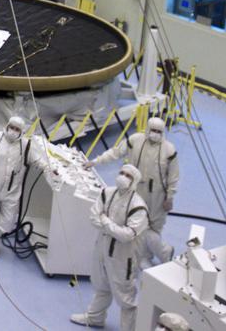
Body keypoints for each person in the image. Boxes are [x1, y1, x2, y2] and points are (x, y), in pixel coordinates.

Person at [89, 116, 179, 264]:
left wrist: (170, 197)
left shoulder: (169, 150)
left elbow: (174, 176)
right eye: (153, 130)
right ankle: (149, 255)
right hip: (135, 190)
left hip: (157, 194)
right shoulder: (135, 140)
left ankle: (162, 252)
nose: (155, 134)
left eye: (159, 131)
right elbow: (115, 152)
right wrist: (95, 162)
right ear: (147, 129)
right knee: (136, 225)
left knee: (153, 228)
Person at [71, 163, 149, 329]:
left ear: (134, 181)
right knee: (101, 285)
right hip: (102, 247)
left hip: (123, 257)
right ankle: (95, 317)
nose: (123, 177)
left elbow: (126, 235)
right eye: (122, 172)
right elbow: (93, 217)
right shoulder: (107, 193)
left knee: (125, 296)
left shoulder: (138, 207)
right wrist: (112, 227)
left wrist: (105, 220)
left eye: (128, 176)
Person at [0, 115, 55, 259]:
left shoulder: (26, 145)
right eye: (12, 127)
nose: (13, 131)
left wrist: (49, 168)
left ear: (21, 131)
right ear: (7, 126)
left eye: (17, 129)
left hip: (12, 190)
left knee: (8, 221)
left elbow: (38, 160)